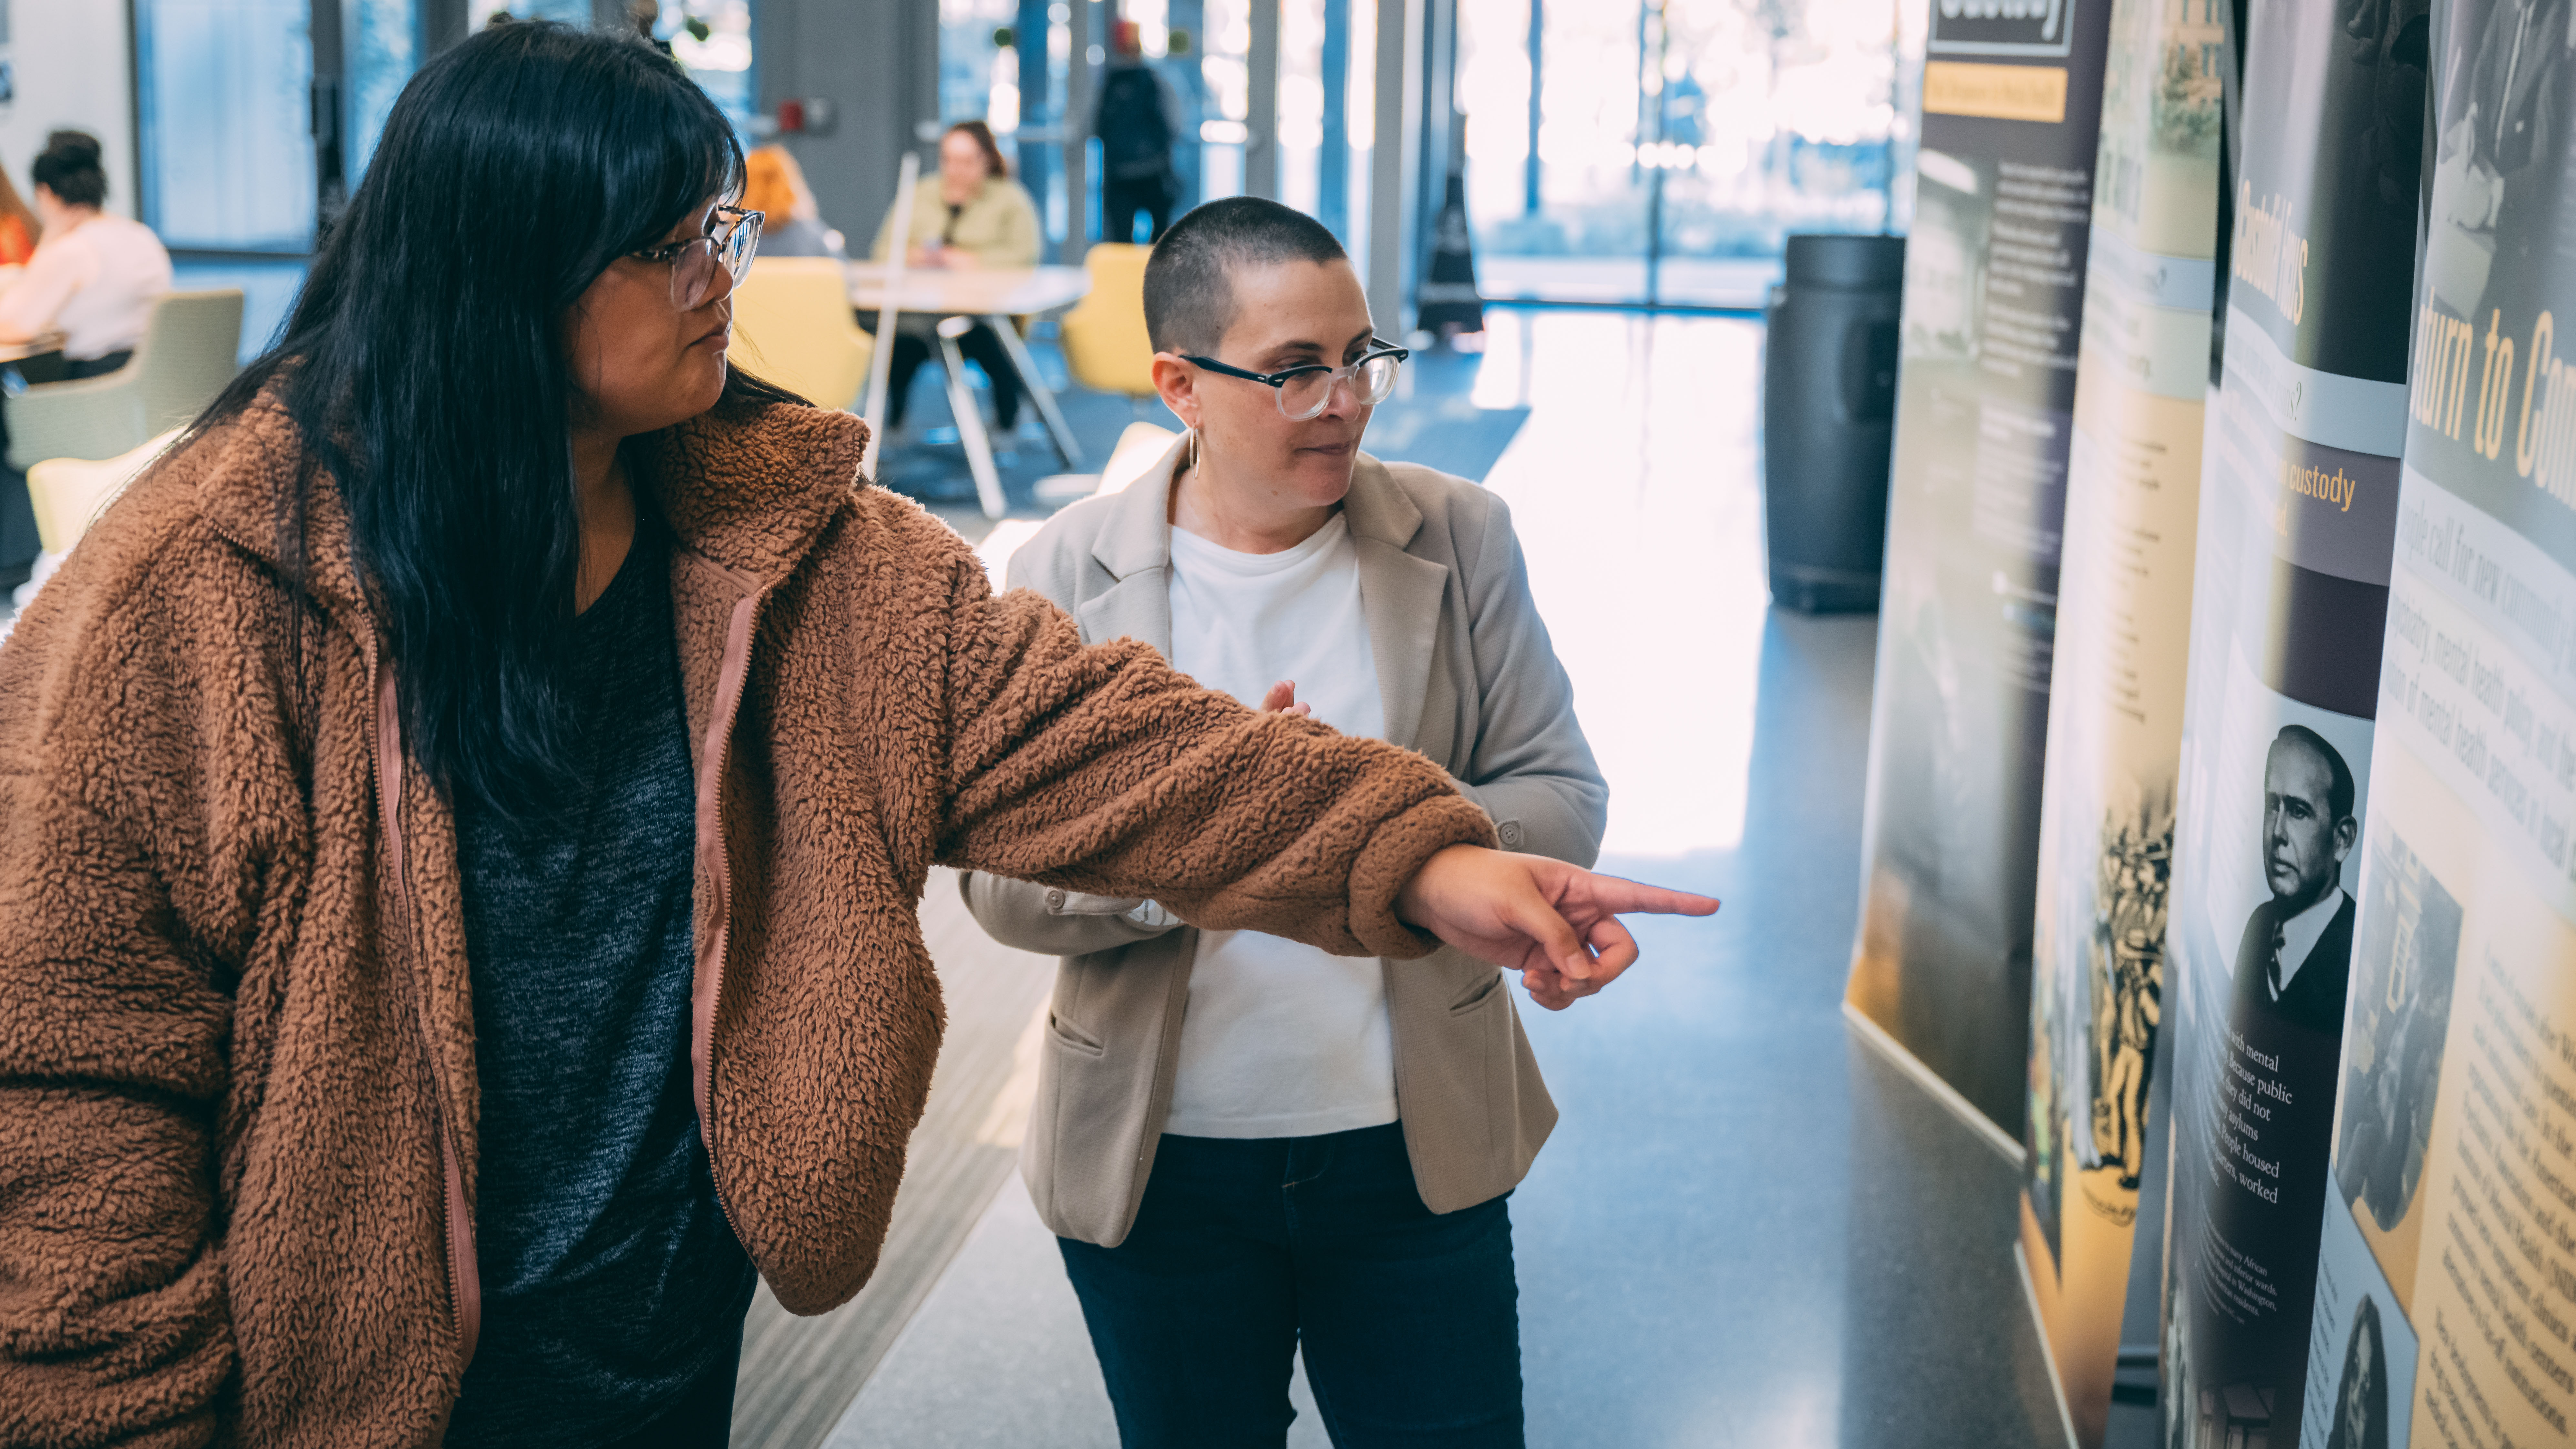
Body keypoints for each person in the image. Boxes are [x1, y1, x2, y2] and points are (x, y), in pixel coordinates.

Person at [0, 23, 1713, 1445]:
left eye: (721, 233)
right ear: (504, 269)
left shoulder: (805, 553)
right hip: (351, 1376)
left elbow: (1099, 735)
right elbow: (67, 1070)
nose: (715, 281)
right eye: (669, 245)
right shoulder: (205, 591)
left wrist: (1416, 851)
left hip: (667, 1331)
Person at [960, 196, 1605, 1446]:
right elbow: (999, 883)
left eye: (1360, 356)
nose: (1346, 399)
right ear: (1176, 386)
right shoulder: (1059, 574)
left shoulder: (1458, 536)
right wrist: (1206, 844)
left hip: (1409, 1146)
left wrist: (1385, 842)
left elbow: (1558, 791)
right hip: (1162, 1167)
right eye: (1294, 370)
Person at [867, 120, 1040, 434]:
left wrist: (968, 262)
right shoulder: (921, 193)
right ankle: (892, 424)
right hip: (920, 312)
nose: (955, 170)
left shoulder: (1009, 200)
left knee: (996, 349)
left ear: (985, 160)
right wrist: (916, 257)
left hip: (982, 314)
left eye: (965, 161)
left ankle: (1006, 423)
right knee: (898, 346)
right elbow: (882, 251)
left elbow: (1024, 259)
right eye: (948, 160)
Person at [0, 131, 172, 373]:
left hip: (96, 388)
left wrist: (49, 240)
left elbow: (13, 327)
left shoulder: (72, 249)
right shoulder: (142, 236)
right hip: (149, 381)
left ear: (46, 193)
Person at [2229, 725, 2360, 1033]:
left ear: (2342, 840)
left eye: (2299, 812)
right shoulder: (2259, 926)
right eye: (2273, 806)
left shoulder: (2356, 957)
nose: (2278, 833)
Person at [1094, 21, 1184, 243]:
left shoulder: (1106, 82)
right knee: (1162, 241)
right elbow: (1175, 124)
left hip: (1118, 174)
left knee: (1121, 240)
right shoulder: (1155, 79)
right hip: (1155, 173)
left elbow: (1094, 126)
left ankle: (1124, 278)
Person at [739, 143, 844, 258]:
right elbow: (842, 272)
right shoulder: (813, 235)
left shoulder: (732, 238)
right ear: (789, 183)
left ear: (743, 187)